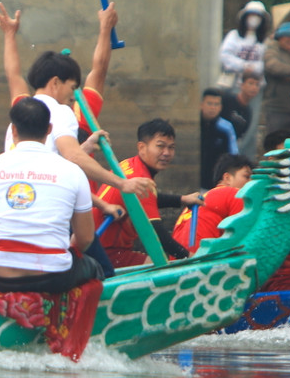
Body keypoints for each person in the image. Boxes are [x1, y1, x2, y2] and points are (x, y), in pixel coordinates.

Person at [0, 1, 155, 205]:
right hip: (52, 202)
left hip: (18, 198)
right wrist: (122, 183)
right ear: (55, 83)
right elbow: (100, 70)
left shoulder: (21, 110)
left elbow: (13, 74)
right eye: (73, 87)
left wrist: (9, 35)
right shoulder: (67, 113)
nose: (75, 94)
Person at [0, 98, 100, 295]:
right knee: (95, 268)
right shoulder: (73, 171)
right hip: (55, 277)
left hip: (1, 277)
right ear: (49, 129)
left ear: (13, 130)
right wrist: (65, 249)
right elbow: (85, 238)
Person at [92, 120, 196, 268]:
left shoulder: (129, 164)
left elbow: (148, 199)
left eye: (171, 147)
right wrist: (190, 258)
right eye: (160, 146)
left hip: (95, 244)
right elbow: (155, 232)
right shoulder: (141, 178)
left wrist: (182, 199)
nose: (166, 153)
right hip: (106, 252)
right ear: (141, 147)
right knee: (157, 264)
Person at [217, 0, 268, 152]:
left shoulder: (265, 40)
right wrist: (243, 66)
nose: (254, 19)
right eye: (251, 15)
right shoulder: (234, 36)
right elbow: (225, 56)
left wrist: (254, 69)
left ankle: (247, 156)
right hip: (235, 85)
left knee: (251, 125)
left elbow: (266, 61)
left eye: (258, 16)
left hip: (256, 88)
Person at [171, 154, 250, 251]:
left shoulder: (205, 197)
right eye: (246, 177)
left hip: (178, 257)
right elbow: (242, 237)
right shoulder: (233, 193)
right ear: (227, 178)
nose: (250, 182)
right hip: (200, 256)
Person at [263, 21, 290, 139]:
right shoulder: (272, 49)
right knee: (275, 142)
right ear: (279, 37)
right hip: (276, 107)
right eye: (288, 36)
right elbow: (273, 66)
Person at [198, 88, 239, 190]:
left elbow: (233, 155)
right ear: (201, 105)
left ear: (220, 107)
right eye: (209, 103)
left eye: (216, 104)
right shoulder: (194, 126)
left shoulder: (226, 128)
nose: (213, 107)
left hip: (216, 185)